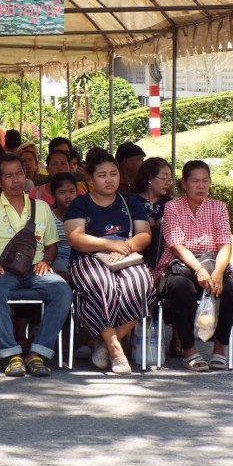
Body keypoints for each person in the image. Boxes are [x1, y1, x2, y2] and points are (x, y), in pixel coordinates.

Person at [0, 154, 71, 377]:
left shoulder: (42, 207)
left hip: (36, 268)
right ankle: (12, 354)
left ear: (26, 176)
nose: (15, 180)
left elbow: (52, 246)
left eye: (19, 174)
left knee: (62, 290)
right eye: (9, 176)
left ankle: (37, 353)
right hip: (3, 270)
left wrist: (46, 261)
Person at [65, 150, 154, 375]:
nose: (109, 179)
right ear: (90, 178)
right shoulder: (80, 203)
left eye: (113, 174)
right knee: (101, 284)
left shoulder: (130, 201)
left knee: (141, 283)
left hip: (125, 255)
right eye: (102, 175)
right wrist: (109, 244)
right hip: (88, 258)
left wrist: (126, 247)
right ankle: (116, 350)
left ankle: (104, 343)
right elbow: (75, 238)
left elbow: (144, 234)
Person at [155, 160, 233, 372]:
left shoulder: (219, 207)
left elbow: (225, 244)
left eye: (205, 181)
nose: (201, 186)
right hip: (181, 264)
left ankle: (220, 349)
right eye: (195, 181)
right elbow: (175, 245)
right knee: (181, 288)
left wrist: (218, 272)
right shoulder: (172, 207)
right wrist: (198, 269)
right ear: (184, 183)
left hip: (211, 262)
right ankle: (189, 351)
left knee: (228, 290)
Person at [132, 157, 174, 268]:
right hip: (135, 258)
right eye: (164, 178)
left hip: (164, 261)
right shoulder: (131, 201)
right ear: (150, 178)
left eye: (169, 179)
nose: (168, 182)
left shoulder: (171, 204)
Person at [49, 172, 78, 281]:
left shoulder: (82, 215)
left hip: (79, 254)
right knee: (63, 277)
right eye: (62, 192)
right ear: (54, 195)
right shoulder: (50, 217)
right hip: (58, 255)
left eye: (72, 191)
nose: (68, 196)